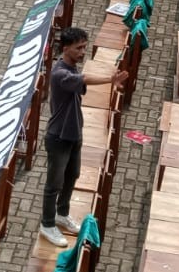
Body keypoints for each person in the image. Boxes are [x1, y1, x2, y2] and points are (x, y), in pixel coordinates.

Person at [39, 27, 126, 248]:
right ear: (65, 48)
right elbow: (85, 79)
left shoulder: (71, 67)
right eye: (78, 48)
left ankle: (62, 213)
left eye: (84, 47)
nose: (82, 51)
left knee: (72, 175)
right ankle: (47, 223)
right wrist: (110, 78)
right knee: (53, 184)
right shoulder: (61, 73)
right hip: (59, 137)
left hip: (74, 133)